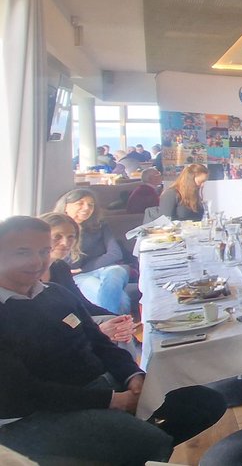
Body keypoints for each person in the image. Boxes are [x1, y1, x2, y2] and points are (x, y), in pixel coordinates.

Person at [0, 216, 226, 465]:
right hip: (38, 414)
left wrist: (133, 376)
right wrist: (112, 401)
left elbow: (101, 344)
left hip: (100, 388)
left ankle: (120, 446)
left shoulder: (54, 293)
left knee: (204, 402)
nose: (36, 261)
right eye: (22, 252)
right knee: (148, 442)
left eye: (43, 251)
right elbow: (24, 392)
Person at [39, 213, 137, 347]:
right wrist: (97, 331)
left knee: (118, 325)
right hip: (52, 334)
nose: (65, 243)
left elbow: (81, 303)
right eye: (57, 237)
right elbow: (45, 325)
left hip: (71, 321)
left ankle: (130, 368)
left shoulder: (59, 267)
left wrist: (120, 318)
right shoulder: (26, 275)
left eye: (71, 237)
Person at [53, 189, 130, 315]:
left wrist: (85, 268)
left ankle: (111, 323)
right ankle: (115, 324)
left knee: (114, 275)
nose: (86, 208)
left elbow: (115, 253)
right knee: (121, 301)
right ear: (66, 206)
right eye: (80, 203)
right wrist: (75, 229)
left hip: (108, 268)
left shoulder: (99, 225)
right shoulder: (58, 231)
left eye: (91, 205)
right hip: (81, 277)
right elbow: (71, 264)